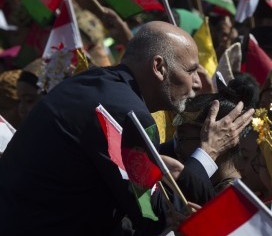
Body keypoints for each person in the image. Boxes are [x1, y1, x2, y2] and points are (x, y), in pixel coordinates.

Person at [0, 21, 254, 235]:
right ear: (159, 67)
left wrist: (182, 146)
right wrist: (208, 154)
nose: (198, 82)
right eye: (190, 71)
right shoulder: (127, 113)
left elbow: (134, 161)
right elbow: (154, 214)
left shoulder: (95, 83)